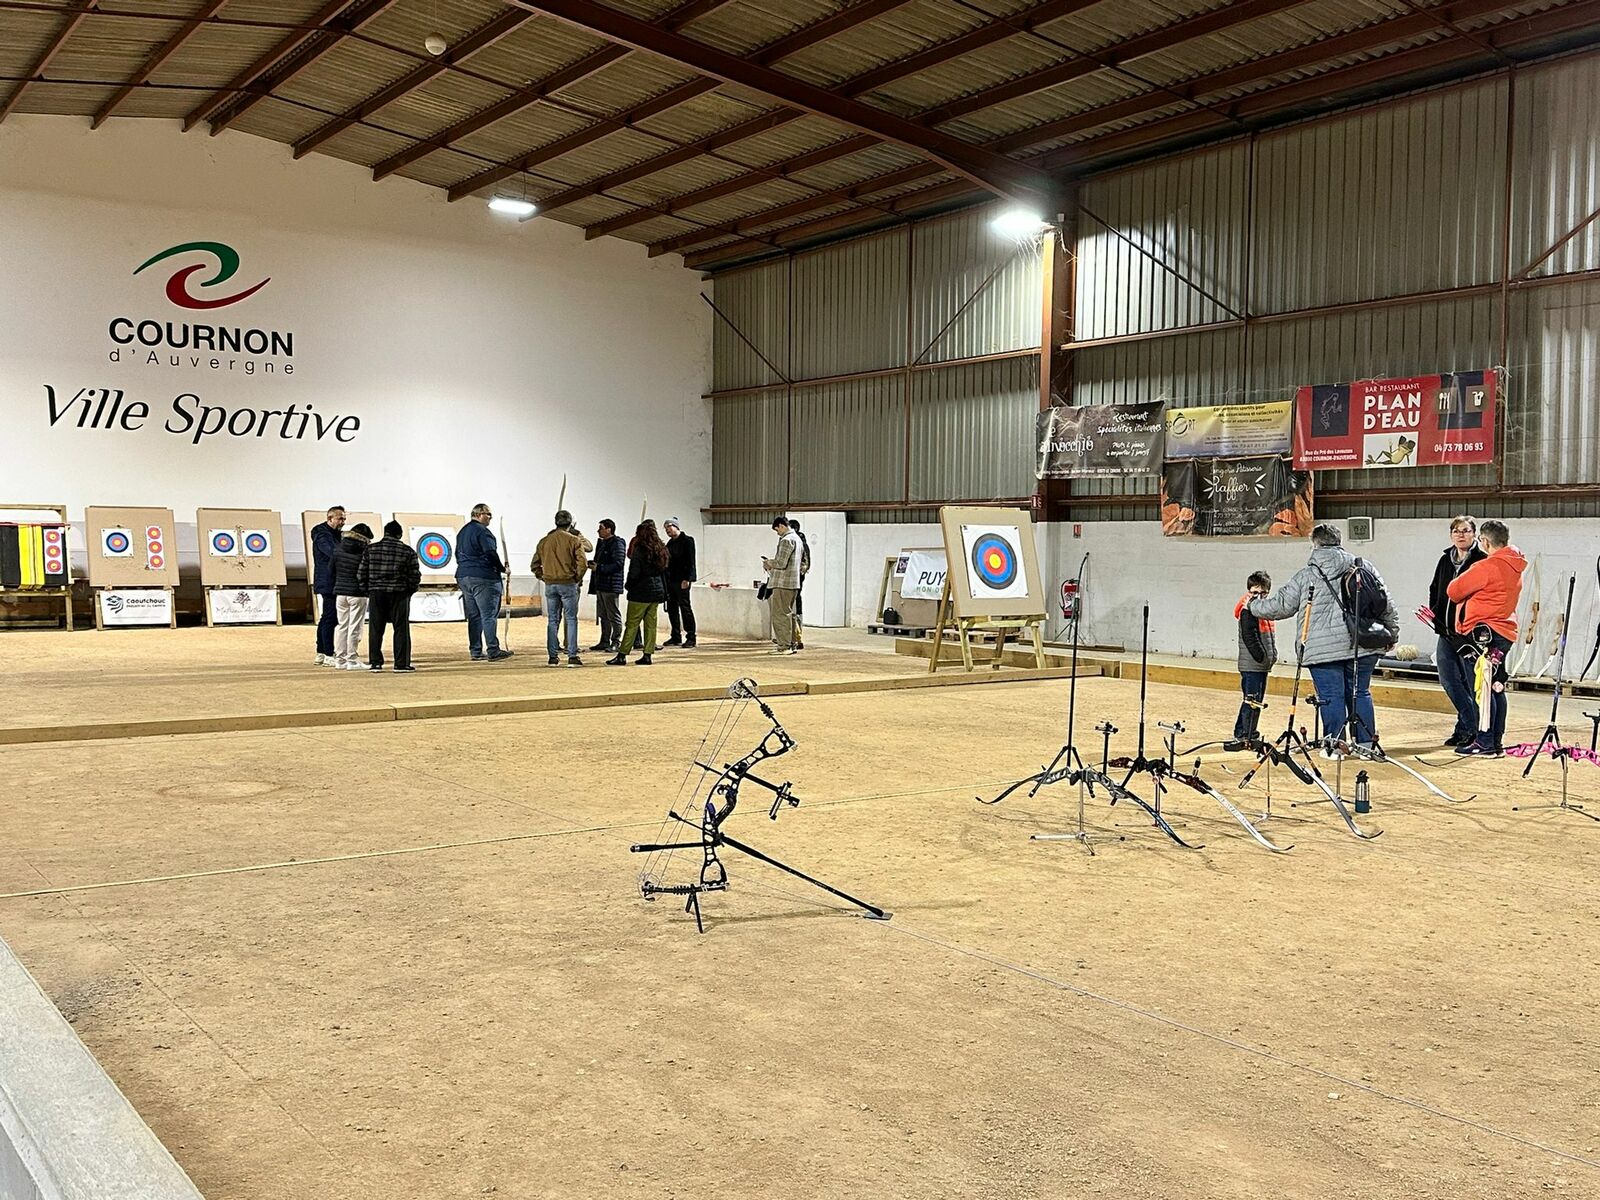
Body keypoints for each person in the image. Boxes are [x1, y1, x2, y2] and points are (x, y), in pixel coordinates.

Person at [1249, 524, 1398, 754]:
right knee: (1360, 693)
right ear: (1339, 541)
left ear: (1315, 543)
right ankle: (1366, 746)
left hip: (1322, 650)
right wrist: (1392, 633)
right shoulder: (1363, 566)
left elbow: (1280, 606)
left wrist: (1253, 605)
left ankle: (1335, 747)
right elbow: (1386, 603)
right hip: (1363, 644)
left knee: (1331, 697)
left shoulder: (1306, 575)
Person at [1446, 519, 1527, 758]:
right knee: (1495, 686)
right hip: (1503, 632)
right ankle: (1495, 741)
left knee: (1482, 688)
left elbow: (1454, 591)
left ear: (1484, 541)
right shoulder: (1514, 565)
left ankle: (1485, 742)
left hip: (1484, 636)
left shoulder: (1487, 566)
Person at [1421, 515, 1488, 746]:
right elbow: (1435, 588)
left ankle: (1472, 730)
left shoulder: (1482, 561)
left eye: (1466, 530)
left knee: (1472, 683)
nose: (1461, 535)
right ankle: (1468, 725)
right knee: (1448, 680)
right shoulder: (1445, 560)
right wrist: (1435, 614)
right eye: (1456, 531)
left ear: (1474, 534)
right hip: (1446, 631)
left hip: (1470, 634)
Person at [359, 520, 421, 672]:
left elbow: (361, 573)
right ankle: (401, 664)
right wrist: (409, 591)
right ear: (399, 535)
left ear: (385, 533)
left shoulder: (370, 549)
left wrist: (368, 590)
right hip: (399, 593)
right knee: (401, 629)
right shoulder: (407, 551)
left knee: (375, 628)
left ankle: (375, 663)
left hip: (376, 593)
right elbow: (414, 575)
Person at [1227, 571, 1276, 750]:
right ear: (1249, 591)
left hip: (1260, 665)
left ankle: (1247, 732)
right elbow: (1250, 637)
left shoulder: (1263, 610)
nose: (1258, 596)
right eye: (1255, 592)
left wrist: (1271, 656)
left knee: (1255, 700)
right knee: (1252, 700)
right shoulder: (1247, 610)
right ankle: (1244, 734)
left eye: (1263, 593)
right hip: (1253, 664)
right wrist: (1261, 657)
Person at [456, 503, 512, 662]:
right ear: (479, 514)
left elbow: (457, 555)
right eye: (488, 514)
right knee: (488, 615)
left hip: (464, 576)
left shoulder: (462, 532)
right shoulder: (483, 532)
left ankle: (475, 650)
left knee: (474, 616)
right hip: (484, 578)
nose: (490, 518)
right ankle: (493, 650)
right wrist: (502, 569)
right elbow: (490, 553)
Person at [534, 509, 591, 667]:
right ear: (570, 523)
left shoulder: (544, 541)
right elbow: (583, 563)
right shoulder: (574, 540)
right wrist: (576, 578)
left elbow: (534, 564)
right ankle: (572, 655)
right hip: (568, 583)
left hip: (550, 584)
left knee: (553, 620)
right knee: (571, 619)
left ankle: (552, 657)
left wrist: (543, 576)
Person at [609, 520, 668, 667]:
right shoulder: (661, 549)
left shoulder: (640, 549)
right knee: (651, 624)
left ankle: (622, 655)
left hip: (640, 592)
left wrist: (629, 586)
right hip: (656, 591)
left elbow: (634, 572)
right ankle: (647, 654)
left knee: (632, 624)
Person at [331, 522, 373, 671]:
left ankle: (340, 660)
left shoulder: (338, 548)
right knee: (355, 627)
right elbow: (366, 573)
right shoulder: (365, 551)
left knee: (342, 626)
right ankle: (352, 660)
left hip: (340, 593)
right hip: (357, 594)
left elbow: (331, 570)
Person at [310, 506, 346, 666]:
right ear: (330, 518)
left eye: (344, 519)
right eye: (340, 518)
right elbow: (332, 552)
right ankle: (328, 654)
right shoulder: (322, 534)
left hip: (332, 581)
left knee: (327, 617)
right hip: (328, 581)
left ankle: (321, 652)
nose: (343, 522)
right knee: (330, 618)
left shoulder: (334, 534)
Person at [762, 516, 802, 655]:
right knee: (789, 614)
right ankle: (792, 644)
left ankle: (784, 646)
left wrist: (769, 563)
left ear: (782, 526)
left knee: (780, 615)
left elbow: (781, 563)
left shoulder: (786, 540)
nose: (777, 533)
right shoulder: (798, 539)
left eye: (777, 530)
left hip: (783, 583)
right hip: (793, 583)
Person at [588, 519, 626, 654]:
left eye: (601, 528)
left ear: (609, 529)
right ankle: (604, 640)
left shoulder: (617, 543)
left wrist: (599, 568)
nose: (598, 530)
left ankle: (616, 641)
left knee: (613, 614)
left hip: (611, 585)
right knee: (603, 614)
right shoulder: (602, 543)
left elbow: (618, 564)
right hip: (601, 584)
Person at [662, 517, 698, 649]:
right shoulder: (669, 544)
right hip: (671, 580)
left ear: (676, 526)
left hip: (682, 580)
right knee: (672, 608)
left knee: (685, 607)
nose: (667, 530)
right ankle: (676, 635)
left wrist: (687, 579)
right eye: (665, 528)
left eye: (669, 527)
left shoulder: (688, 541)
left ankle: (691, 636)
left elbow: (691, 561)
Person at [789, 518, 811, 650]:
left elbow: (805, 564)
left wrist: (797, 575)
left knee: (794, 607)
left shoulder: (798, 542)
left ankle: (797, 638)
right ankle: (796, 637)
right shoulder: (799, 542)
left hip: (795, 581)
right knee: (795, 605)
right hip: (796, 580)